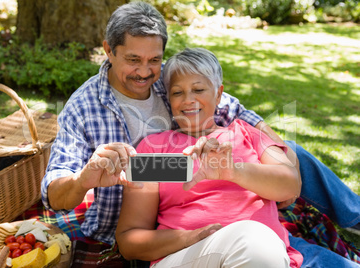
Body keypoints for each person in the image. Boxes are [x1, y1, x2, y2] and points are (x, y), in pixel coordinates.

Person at [41, 0, 359, 263]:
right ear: (109, 50)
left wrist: (264, 146)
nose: (144, 71)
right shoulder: (86, 110)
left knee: (286, 151)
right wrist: (84, 179)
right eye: (133, 60)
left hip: (221, 205)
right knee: (252, 235)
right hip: (143, 199)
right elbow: (56, 193)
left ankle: (354, 217)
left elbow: (230, 109)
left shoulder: (170, 77)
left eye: (153, 60)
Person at [116, 47, 359, 268]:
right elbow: (130, 239)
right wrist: (192, 237)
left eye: (198, 89)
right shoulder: (155, 148)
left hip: (270, 255)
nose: (188, 100)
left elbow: (290, 185)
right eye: (178, 92)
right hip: (189, 256)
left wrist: (233, 171)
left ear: (219, 94)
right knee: (253, 242)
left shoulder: (246, 134)